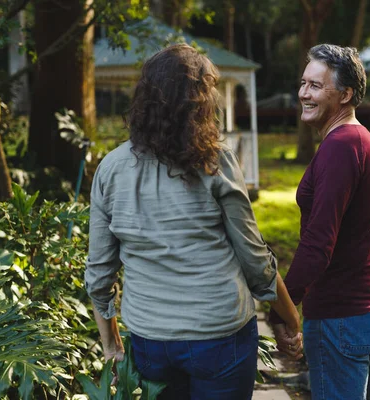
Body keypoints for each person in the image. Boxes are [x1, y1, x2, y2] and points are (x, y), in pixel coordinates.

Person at [85, 43, 302, 400]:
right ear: (200, 102)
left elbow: (99, 273)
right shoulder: (215, 160)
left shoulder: (111, 169)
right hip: (220, 336)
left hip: (150, 340)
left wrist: (111, 345)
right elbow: (254, 259)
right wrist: (290, 321)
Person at [270, 44, 370, 400]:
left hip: (341, 317)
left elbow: (317, 243)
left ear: (346, 94)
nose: (303, 94)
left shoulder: (341, 147)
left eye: (316, 86)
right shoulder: (363, 141)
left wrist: (283, 310)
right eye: (304, 83)